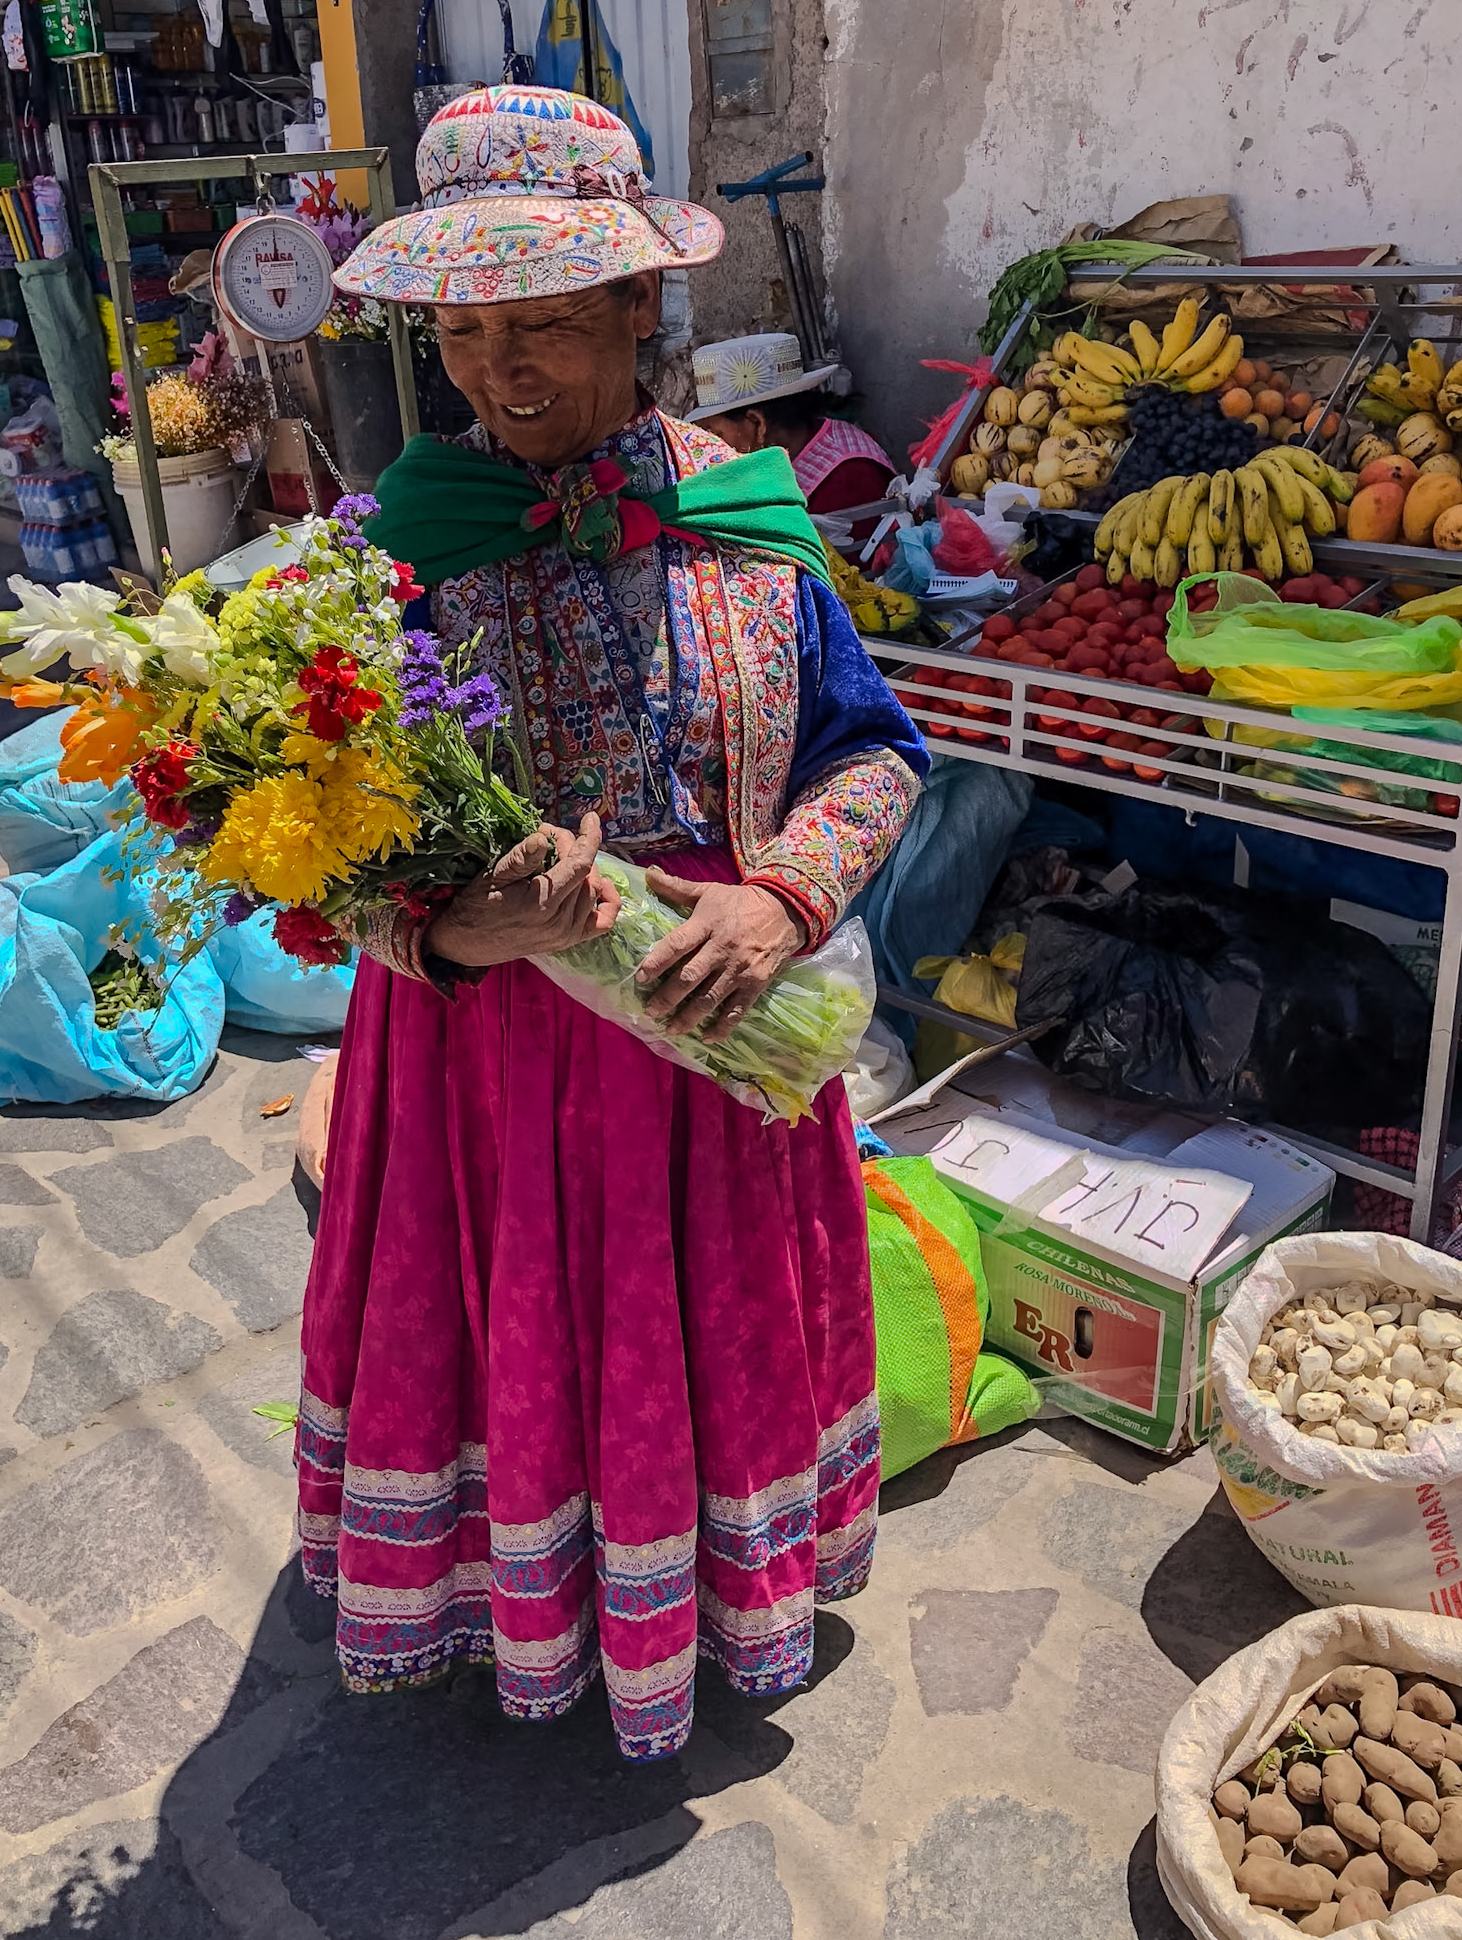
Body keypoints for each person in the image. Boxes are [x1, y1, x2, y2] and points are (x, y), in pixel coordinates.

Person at [296, 85, 929, 1762]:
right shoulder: (402, 554)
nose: (503, 376)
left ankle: (708, 1605)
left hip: (701, 1041)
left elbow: (871, 751)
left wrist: (784, 903)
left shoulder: (747, 520)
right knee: (516, 1336)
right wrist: (442, 928)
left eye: (550, 330)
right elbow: (320, 835)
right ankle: (519, 1608)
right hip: (482, 1077)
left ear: (646, 308)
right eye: (469, 333)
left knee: (690, 1336)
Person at [688, 330, 897, 517]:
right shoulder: (799, 446)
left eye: (716, 433)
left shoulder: (846, 477)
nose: (711, 445)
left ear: (757, 423)